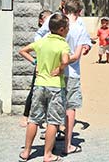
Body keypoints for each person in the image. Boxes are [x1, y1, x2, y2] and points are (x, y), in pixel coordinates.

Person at [18, 13, 70, 162]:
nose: (68, 30)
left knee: (34, 119)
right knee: (53, 121)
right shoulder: (63, 44)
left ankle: (26, 152)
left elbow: (22, 51)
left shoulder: (42, 41)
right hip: (55, 86)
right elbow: (65, 60)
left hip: (39, 84)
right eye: (67, 27)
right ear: (61, 29)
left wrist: (35, 63)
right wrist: (60, 68)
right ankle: (47, 154)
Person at [62, 0, 89, 155]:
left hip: (54, 72)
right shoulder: (79, 29)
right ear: (79, 12)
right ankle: (67, 144)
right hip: (72, 72)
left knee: (54, 105)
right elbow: (79, 53)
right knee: (70, 108)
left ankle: (49, 142)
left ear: (64, 10)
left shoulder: (56, 23)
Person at [20, 10, 53, 127]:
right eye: (46, 19)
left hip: (51, 65)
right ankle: (25, 115)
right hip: (41, 65)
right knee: (34, 90)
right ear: (41, 20)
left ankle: (45, 118)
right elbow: (24, 51)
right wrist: (35, 62)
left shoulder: (52, 34)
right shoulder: (40, 36)